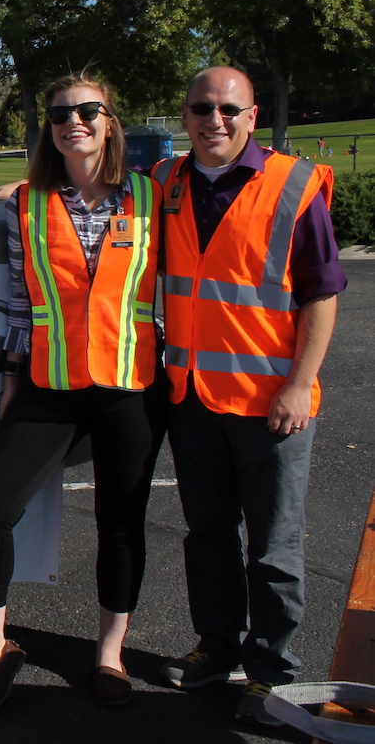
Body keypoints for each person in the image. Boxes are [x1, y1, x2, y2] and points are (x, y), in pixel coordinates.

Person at [0, 74, 164, 716]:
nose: (72, 122)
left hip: (129, 387)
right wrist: (12, 384)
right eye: (59, 114)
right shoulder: (24, 203)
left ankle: (110, 655)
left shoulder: (151, 194)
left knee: (121, 524)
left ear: (109, 121)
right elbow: (23, 300)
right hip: (50, 384)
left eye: (86, 111)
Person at [154, 67, 345, 726]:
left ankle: (272, 672)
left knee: (272, 546)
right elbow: (86, 188)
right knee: (207, 535)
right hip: (195, 397)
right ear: (185, 115)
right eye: (203, 108)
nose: (216, 120)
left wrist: (299, 383)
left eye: (229, 109)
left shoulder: (292, 185)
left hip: (273, 405)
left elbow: (322, 292)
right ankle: (216, 646)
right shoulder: (166, 184)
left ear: (252, 115)